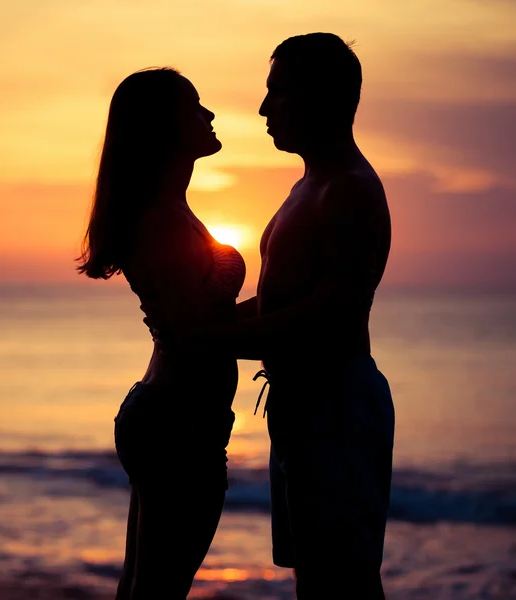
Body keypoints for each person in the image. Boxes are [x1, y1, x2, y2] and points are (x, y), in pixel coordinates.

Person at [160, 33, 395, 599]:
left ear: (319, 96)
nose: (264, 109)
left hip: (335, 406)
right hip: (302, 408)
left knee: (344, 579)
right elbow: (283, 301)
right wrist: (205, 329)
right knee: (315, 573)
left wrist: (208, 341)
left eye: (278, 92)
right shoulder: (308, 186)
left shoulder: (350, 190)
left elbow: (330, 316)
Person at [76, 67, 246, 600]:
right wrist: (302, 319)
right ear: (167, 126)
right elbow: (197, 337)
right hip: (180, 426)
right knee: (157, 590)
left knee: (146, 586)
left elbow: (199, 323)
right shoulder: (161, 223)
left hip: (177, 419)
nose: (210, 114)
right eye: (196, 105)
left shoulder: (172, 212)